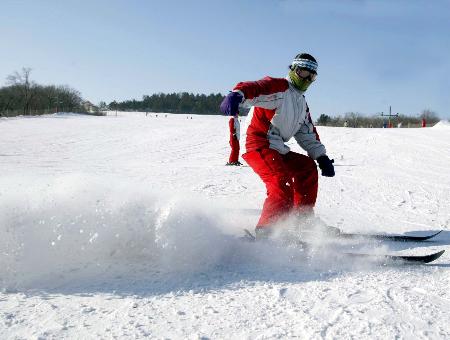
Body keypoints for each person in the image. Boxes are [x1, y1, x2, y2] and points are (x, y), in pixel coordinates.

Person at [220, 53, 335, 238]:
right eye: (302, 72)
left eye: (311, 76)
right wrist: (237, 94)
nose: (306, 79)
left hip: (276, 147)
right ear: (293, 70)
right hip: (259, 144)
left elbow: (307, 132)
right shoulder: (280, 88)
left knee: (306, 168)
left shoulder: (301, 103)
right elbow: (258, 88)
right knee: (281, 182)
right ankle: (267, 230)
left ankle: (301, 219)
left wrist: (321, 156)